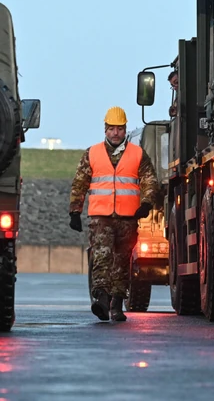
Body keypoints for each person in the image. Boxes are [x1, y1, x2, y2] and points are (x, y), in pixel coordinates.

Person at [67, 106, 157, 322]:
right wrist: (74, 211)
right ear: (105, 129)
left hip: (128, 218)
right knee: (101, 256)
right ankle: (102, 298)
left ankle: (117, 303)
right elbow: (80, 183)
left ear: (125, 130)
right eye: (112, 129)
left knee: (122, 261)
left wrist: (146, 203)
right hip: (101, 217)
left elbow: (149, 180)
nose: (116, 133)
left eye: (119, 129)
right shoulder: (92, 153)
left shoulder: (137, 154)